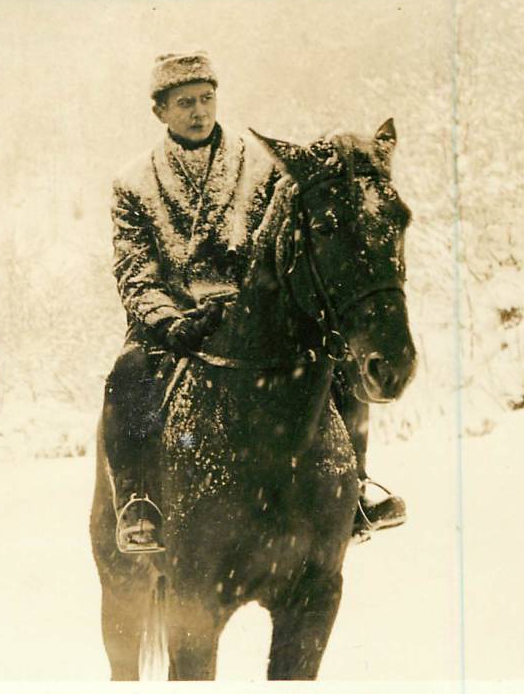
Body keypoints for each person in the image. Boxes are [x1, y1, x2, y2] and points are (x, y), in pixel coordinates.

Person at [102, 50, 406, 553]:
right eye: (184, 103)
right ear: (160, 111)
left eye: (206, 98)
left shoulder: (262, 167)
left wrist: (250, 302)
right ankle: (138, 501)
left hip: (255, 312)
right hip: (176, 323)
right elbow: (134, 273)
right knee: (127, 375)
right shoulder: (133, 182)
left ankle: (356, 489)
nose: (199, 112)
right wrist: (171, 321)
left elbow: (283, 247)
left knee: (337, 365)